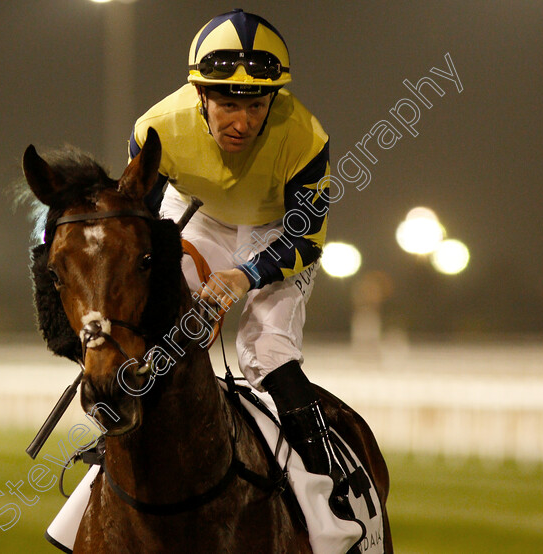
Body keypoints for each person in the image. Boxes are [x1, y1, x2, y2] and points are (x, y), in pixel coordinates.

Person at [128, 8, 355, 538]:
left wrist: (247, 274)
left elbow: (306, 237)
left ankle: (328, 493)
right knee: (158, 336)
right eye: (228, 104)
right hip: (197, 214)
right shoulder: (155, 128)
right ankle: (108, 454)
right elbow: (138, 227)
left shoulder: (306, 137)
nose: (242, 122)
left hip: (277, 231)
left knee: (269, 351)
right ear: (201, 95)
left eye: (256, 105)